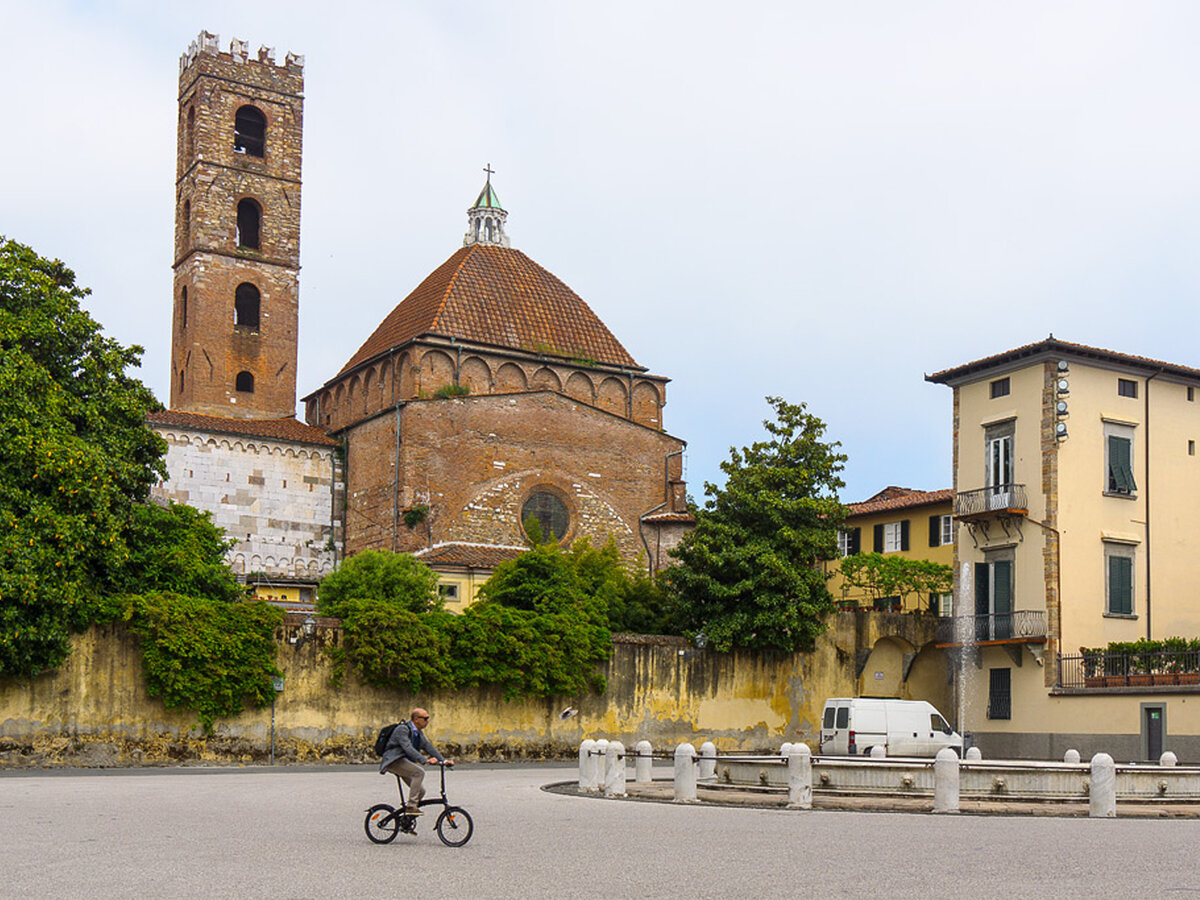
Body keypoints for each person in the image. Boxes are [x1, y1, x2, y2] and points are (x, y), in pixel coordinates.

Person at [378, 708, 454, 815]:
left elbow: (428, 746)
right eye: (426, 718)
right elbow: (408, 747)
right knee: (419, 772)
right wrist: (425, 760)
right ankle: (411, 806)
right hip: (393, 761)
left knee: (421, 791)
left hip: (403, 762)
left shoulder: (417, 732)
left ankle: (407, 820)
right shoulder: (403, 729)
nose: (428, 721)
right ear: (416, 719)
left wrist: (444, 760)